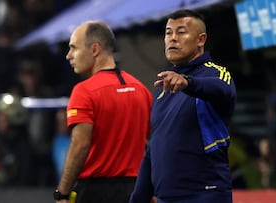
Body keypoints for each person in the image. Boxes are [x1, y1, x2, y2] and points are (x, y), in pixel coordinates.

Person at [130, 9, 236, 203]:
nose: (173, 38)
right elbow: (153, 150)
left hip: (205, 195)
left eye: (181, 32)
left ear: (200, 40)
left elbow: (222, 90)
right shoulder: (164, 88)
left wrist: (188, 82)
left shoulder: (214, 74)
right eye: (168, 32)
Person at [53, 21, 153, 203]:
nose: (68, 56)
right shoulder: (141, 90)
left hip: (95, 192)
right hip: (137, 190)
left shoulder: (83, 91)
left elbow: (80, 145)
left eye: (73, 48)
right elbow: (153, 144)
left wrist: (62, 192)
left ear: (94, 50)